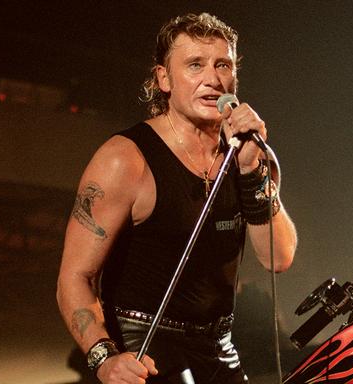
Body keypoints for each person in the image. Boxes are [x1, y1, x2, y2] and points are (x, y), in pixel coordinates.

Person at [56, 12, 298, 384]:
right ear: (163, 79)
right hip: (143, 346)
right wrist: (104, 358)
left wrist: (252, 171)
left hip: (220, 346)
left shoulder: (250, 155)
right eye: (195, 65)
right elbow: (75, 276)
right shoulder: (126, 159)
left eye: (223, 65)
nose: (213, 80)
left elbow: (278, 258)